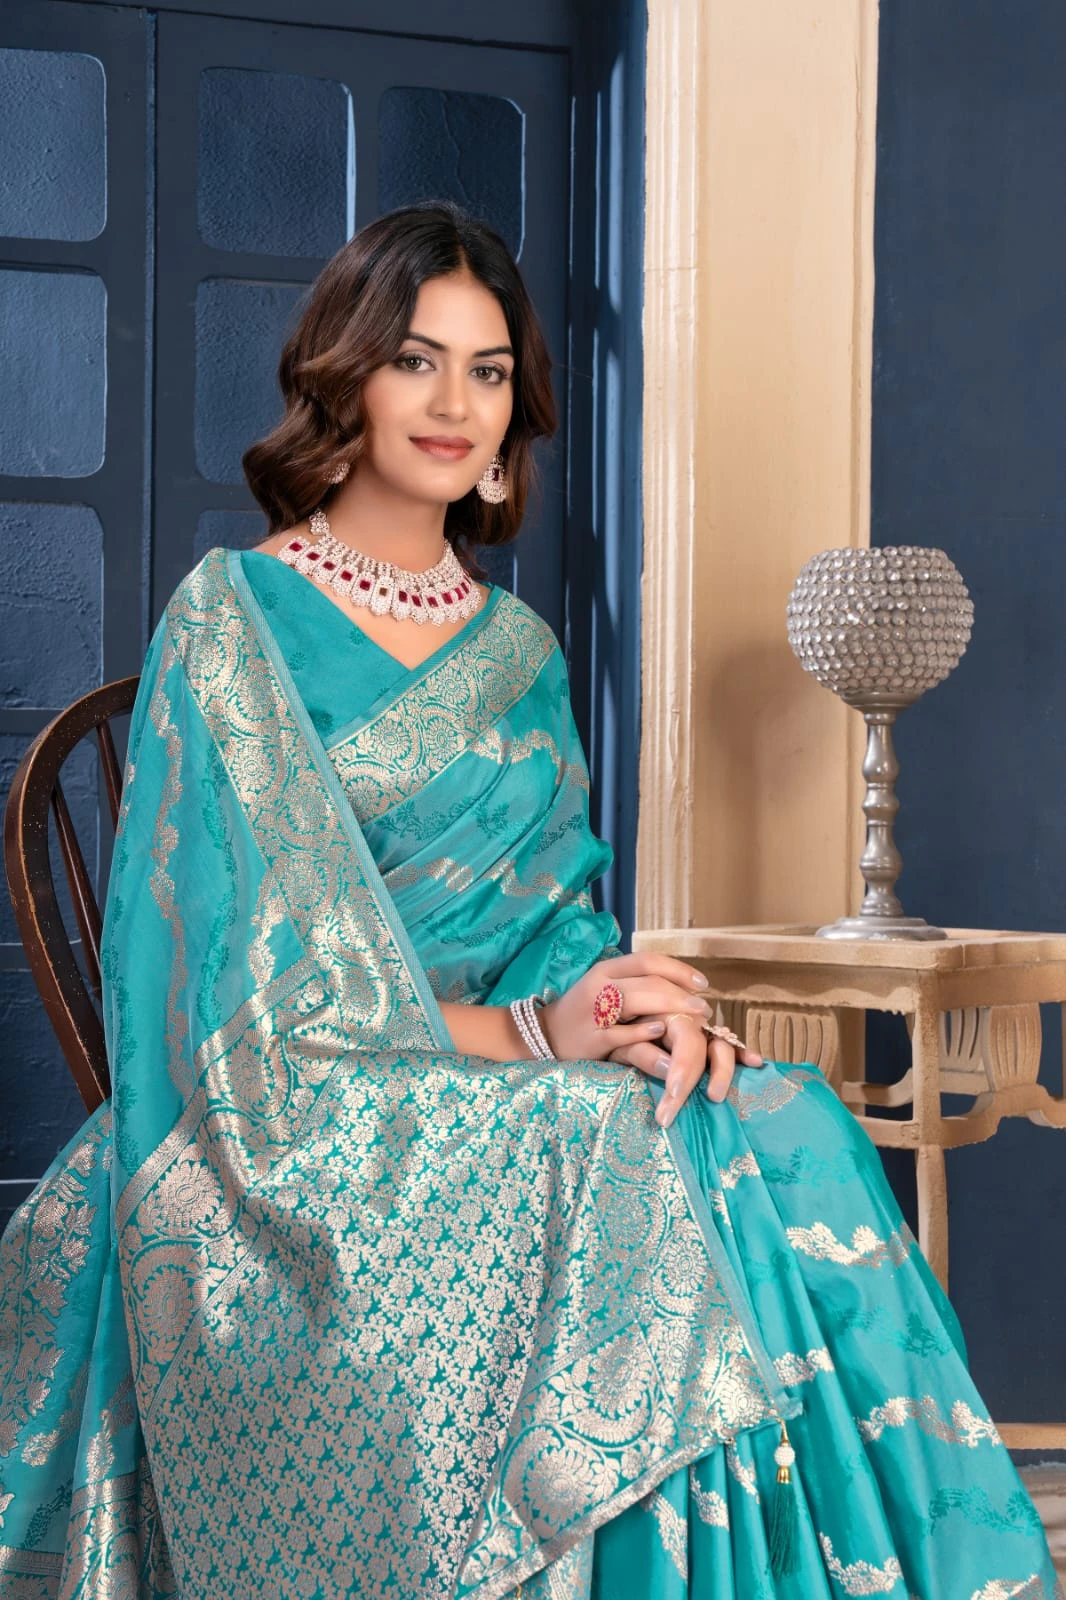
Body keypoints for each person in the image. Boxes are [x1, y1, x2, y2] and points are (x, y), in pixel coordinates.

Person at [0, 202, 1058, 1600]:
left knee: (768, 1111)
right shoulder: (232, 620)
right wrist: (534, 1038)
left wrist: (632, 1010)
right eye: (416, 360)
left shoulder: (516, 649)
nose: (454, 404)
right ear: (347, 378)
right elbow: (243, 986)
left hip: (505, 1072)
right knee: (609, 1143)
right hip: (294, 1104)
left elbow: (554, 923)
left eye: (488, 371)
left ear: (515, 411)